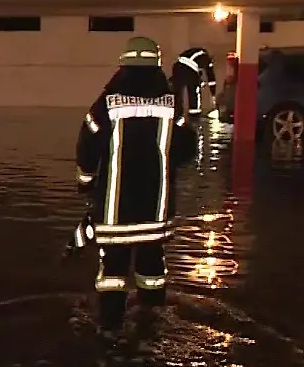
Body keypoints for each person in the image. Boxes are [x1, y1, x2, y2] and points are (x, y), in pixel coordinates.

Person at [71, 36, 198, 339]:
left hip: (115, 217)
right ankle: (151, 322)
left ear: (123, 64)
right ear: (156, 64)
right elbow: (188, 150)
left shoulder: (107, 104)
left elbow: (87, 147)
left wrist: (85, 183)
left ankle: (111, 329)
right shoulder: (171, 106)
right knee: (151, 270)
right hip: (155, 215)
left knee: (113, 274)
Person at [170, 47, 217, 121]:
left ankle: (177, 114)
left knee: (177, 92)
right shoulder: (207, 59)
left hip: (177, 66)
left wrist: (200, 82)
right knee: (194, 91)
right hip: (189, 68)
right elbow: (211, 78)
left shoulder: (197, 55)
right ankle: (195, 114)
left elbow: (195, 75)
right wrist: (213, 94)